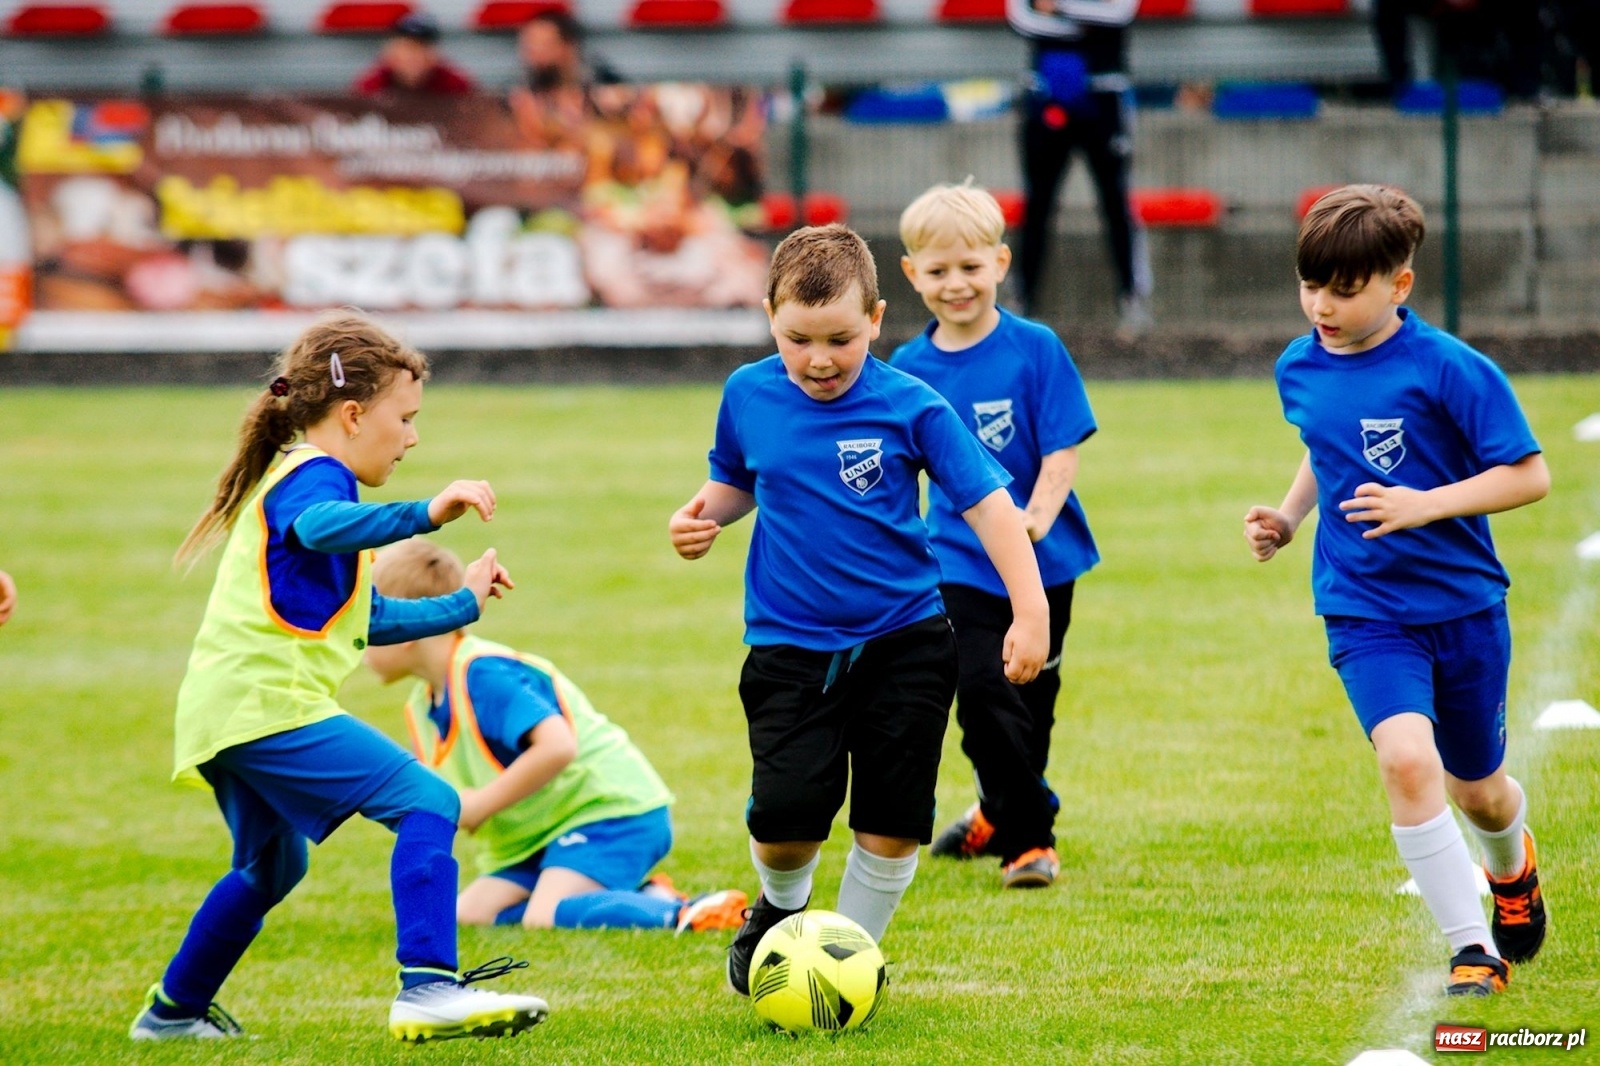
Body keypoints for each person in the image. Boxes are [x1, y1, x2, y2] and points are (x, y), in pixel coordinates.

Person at [130, 313, 549, 1043]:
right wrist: (428, 512)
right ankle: (428, 988)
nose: (414, 437)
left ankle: (171, 1015)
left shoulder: (309, 482)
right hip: (264, 707)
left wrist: (466, 602)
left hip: (227, 712)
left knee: (270, 870)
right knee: (428, 798)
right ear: (354, 415)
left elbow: (363, 618)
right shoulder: (314, 477)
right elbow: (321, 526)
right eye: (407, 418)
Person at [668, 223, 1050, 996]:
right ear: (769, 317)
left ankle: (845, 963)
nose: (817, 360)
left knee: (891, 819)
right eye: (796, 339)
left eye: (840, 339)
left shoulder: (912, 405)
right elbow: (744, 478)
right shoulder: (747, 393)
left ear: (876, 320)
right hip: (788, 642)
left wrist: (1030, 607)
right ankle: (779, 911)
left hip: (905, 640)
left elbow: (989, 504)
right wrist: (705, 513)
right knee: (785, 817)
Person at [1244, 185, 1550, 997]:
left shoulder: (1449, 369)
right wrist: (1290, 517)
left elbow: (1531, 475)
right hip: (1365, 608)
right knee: (1409, 762)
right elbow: (1325, 445)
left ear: (1399, 286)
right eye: (1311, 286)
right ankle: (1471, 950)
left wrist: (1427, 505)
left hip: (1464, 606)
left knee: (1478, 789)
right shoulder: (1298, 364)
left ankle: (1511, 871)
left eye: (1345, 291)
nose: (1323, 306)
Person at [364, 536, 749, 934]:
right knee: (467, 914)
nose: (357, 641)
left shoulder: (482, 675)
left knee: (544, 915)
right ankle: (632, 896)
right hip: (539, 839)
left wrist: (479, 805)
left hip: (608, 814)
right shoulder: (421, 705)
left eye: (365, 620)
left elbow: (558, 746)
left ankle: (687, 913)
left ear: (402, 626)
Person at [890, 181, 1098, 890]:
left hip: (1047, 560)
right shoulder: (907, 372)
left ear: (1001, 265)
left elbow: (1064, 446)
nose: (957, 284)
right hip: (956, 562)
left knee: (1028, 702)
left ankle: (993, 810)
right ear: (912, 273)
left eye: (971, 267)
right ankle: (1029, 841)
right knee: (980, 693)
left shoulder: (1035, 349)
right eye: (939, 270)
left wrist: (1036, 515)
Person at [1005, 0, 1151, 335]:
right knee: (1037, 205)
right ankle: (1022, 302)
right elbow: (1021, 19)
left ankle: (1132, 299)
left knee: (1116, 203)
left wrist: (1057, 6)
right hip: (1045, 98)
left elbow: (1120, 14)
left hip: (1104, 99)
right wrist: (1086, 20)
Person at [352, 13, 477, 97]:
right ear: (392, 52)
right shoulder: (372, 85)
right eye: (408, 48)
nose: (415, 56)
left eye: (422, 48)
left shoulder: (455, 85)